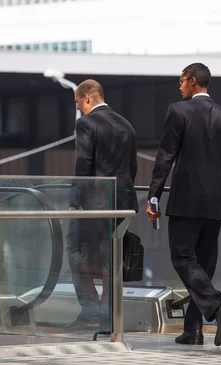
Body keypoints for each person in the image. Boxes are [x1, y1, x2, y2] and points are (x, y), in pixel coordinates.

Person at [146, 63, 221, 346]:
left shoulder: (178, 111)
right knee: (203, 265)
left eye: (181, 81)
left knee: (182, 257)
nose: (179, 87)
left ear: (192, 81)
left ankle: (218, 304)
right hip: (217, 204)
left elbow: (165, 156)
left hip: (185, 201)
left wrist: (154, 195)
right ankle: (192, 330)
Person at [65, 79, 138, 330]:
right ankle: (108, 316)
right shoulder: (126, 124)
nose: (78, 109)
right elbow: (133, 167)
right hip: (123, 202)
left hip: (95, 204)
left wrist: (75, 201)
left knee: (75, 250)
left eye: (78, 103)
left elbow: (83, 164)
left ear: (86, 97)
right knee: (112, 258)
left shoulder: (86, 123)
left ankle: (89, 310)